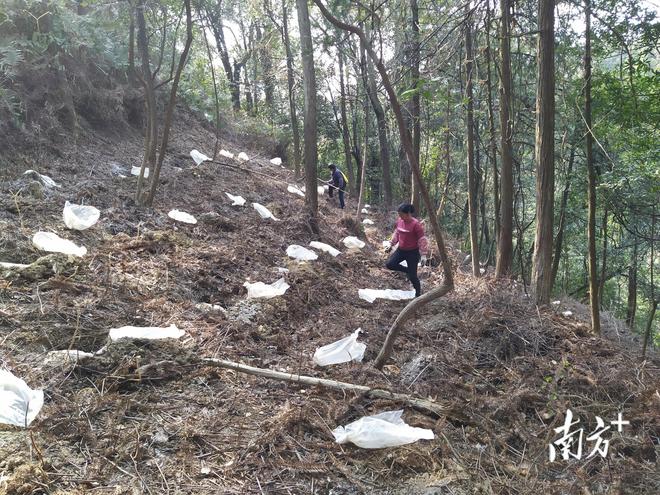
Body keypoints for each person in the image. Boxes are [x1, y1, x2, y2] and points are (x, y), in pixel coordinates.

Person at [385, 203, 428, 297]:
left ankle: (418, 294)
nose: (399, 216)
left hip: (412, 252)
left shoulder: (416, 225)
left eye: (401, 214)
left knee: (413, 276)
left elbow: (422, 239)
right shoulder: (400, 221)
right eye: (399, 214)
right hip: (401, 250)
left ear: (408, 213)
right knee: (390, 264)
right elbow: (397, 233)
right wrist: (391, 244)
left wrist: (424, 254)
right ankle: (408, 270)